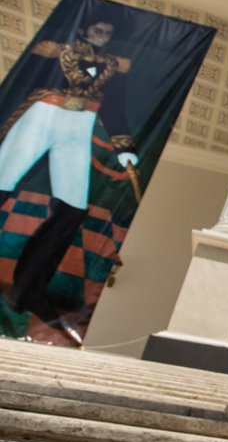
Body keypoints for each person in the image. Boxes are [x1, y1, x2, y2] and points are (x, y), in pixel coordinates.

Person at [0, 17, 138, 347]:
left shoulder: (114, 67)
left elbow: (114, 107)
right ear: (83, 29)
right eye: (97, 30)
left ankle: (27, 289)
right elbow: (23, 79)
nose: (102, 36)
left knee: (73, 210)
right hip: (43, 114)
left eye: (108, 32)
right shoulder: (54, 52)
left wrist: (123, 146)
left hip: (79, 125)